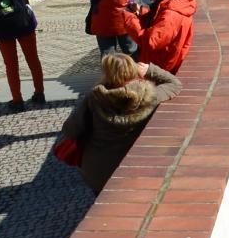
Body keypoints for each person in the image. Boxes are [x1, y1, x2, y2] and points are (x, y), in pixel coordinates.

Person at [55, 54, 181, 193]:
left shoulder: (94, 99)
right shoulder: (149, 96)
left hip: (99, 171)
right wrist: (150, 70)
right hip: (135, 168)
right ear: (134, 70)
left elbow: (71, 130)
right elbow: (174, 84)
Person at [126, 0, 195, 74]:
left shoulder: (171, 14)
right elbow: (158, 21)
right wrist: (141, 12)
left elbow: (150, 42)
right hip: (159, 63)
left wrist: (129, 18)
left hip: (159, 68)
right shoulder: (174, 1)